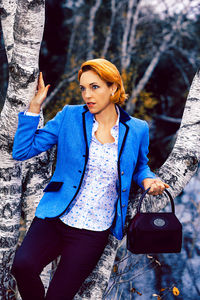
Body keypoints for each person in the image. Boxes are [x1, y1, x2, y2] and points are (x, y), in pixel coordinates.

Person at [11, 58, 169, 300]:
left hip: (93, 231)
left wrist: (148, 180)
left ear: (113, 88)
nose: (87, 94)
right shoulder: (69, 116)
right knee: (22, 266)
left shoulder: (137, 129)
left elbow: (140, 167)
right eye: (83, 88)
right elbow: (22, 151)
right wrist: (34, 108)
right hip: (56, 216)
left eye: (95, 87)